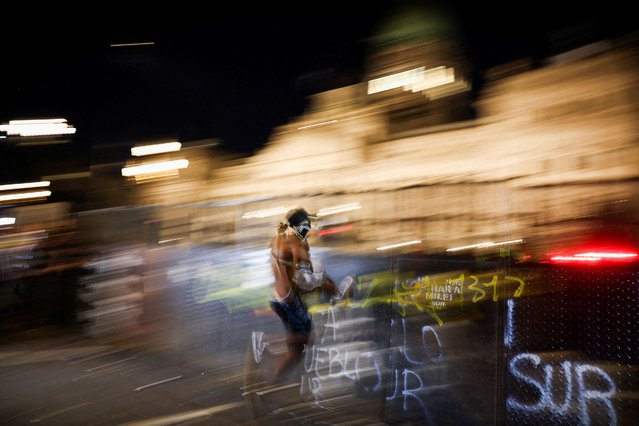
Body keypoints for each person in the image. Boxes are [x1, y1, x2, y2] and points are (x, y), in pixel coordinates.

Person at [258, 207, 347, 384]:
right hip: (287, 300)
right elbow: (311, 269)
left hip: (281, 297)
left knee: (297, 350)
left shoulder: (280, 240)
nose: (310, 230)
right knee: (309, 336)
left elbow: (297, 273)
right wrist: (325, 285)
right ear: (301, 227)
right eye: (308, 226)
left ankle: (273, 382)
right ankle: (264, 343)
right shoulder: (293, 243)